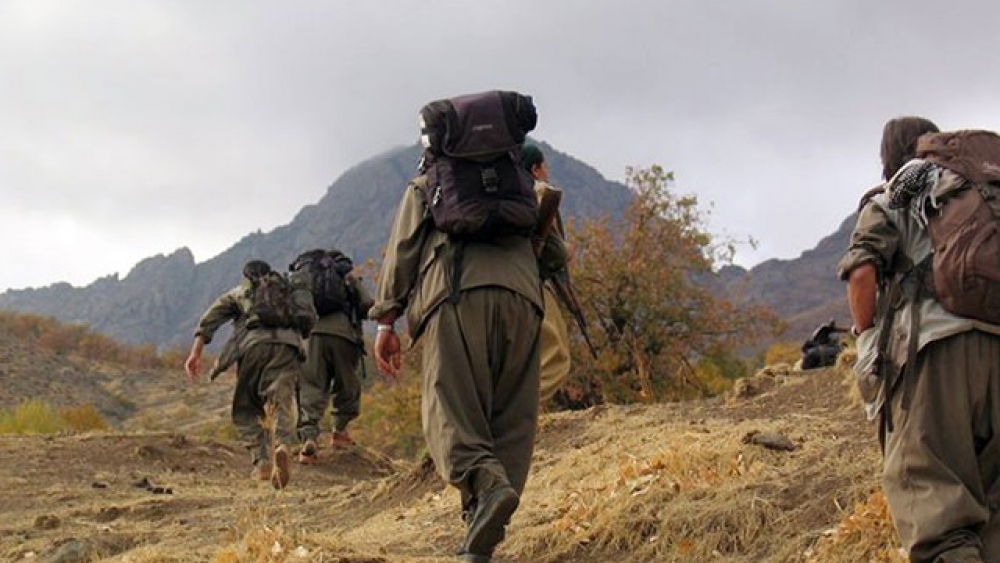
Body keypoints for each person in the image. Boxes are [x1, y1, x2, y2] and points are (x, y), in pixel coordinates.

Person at [838, 116, 1000, 563]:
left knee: (939, 518)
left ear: (888, 157)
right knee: (993, 518)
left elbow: (862, 272)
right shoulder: (980, 195)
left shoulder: (897, 195)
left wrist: (866, 336)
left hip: (936, 357)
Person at [370, 164, 544, 562]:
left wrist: (386, 319)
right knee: (511, 417)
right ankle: (479, 539)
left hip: (456, 293)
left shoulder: (427, 186)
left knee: (448, 407)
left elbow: (403, 251)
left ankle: (486, 486)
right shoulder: (522, 182)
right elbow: (552, 252)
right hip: (524, 300)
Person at [184, 259, 316, 490]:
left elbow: (210, 320)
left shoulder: (240, 292)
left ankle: (262, 461)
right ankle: (283, 444)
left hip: (254, 347)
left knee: (246, 407)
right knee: (281, 399)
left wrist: (195, 353)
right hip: (289, 346)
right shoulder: (287, 290)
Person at [294, 249, 375, 463]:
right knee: (346, 384)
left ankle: (307, 441)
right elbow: (367, 303)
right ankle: (339, 432)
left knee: (311, 386)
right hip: (344, 334)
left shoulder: (306, 276)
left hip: (311, 336)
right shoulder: (345, 273)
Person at [521, 144, 572, 405]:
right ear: (535, 168)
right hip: (528, 282)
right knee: (555, 358)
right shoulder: (538, 194)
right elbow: (555, 254)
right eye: (544, 165)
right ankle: (517, 415)